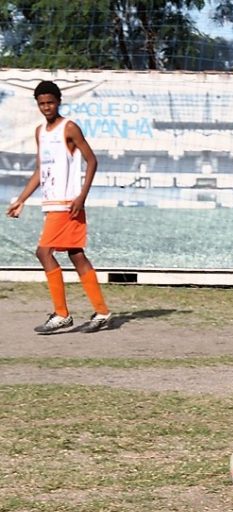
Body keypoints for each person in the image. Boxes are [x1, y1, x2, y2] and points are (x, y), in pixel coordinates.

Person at [6, 80, 112, 334]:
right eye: (42, 103)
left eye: (50, 102)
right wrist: (21, 199)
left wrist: (81, 196)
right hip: (52, 202)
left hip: (67, 204)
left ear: (58, 101)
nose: (46, 107)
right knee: (76, 255)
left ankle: (62, 314)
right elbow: (41, 169)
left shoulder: (69, 127)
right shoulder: (40, 132)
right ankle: (102, 312)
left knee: (43, 252)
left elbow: (92, 160)